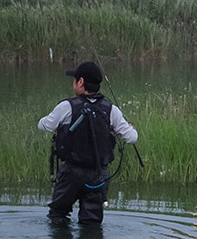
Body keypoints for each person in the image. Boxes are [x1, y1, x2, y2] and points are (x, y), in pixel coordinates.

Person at [38, 61, 137, 225]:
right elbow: (132, 138)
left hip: (71, 174)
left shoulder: (66, 107)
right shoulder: (111, 110)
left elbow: (44, 125)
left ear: (81, 82)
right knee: (92, 223)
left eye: (74, 80)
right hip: (98, 176)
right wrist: (127, 128)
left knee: (58, 216)